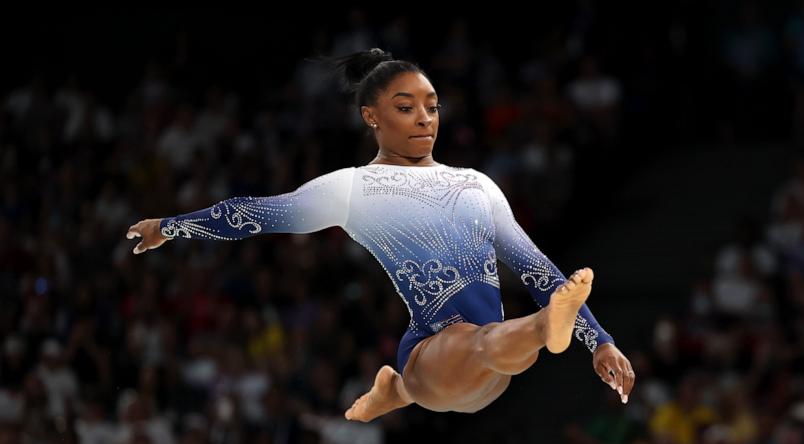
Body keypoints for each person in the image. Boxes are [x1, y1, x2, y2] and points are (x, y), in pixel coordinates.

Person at [126, 47, 636, 419]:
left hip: (494, 372)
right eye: (405, 106)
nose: (424, 118)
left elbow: (536, 268)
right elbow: (258, 212)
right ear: (371, 116)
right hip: (433, 353)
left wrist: (600, 343)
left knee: (493, 348)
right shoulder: (354, 188)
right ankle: (543, 328)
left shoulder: (476, 186)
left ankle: (400, 390)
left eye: (432, 106)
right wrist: (171, 226)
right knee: (481, 343)